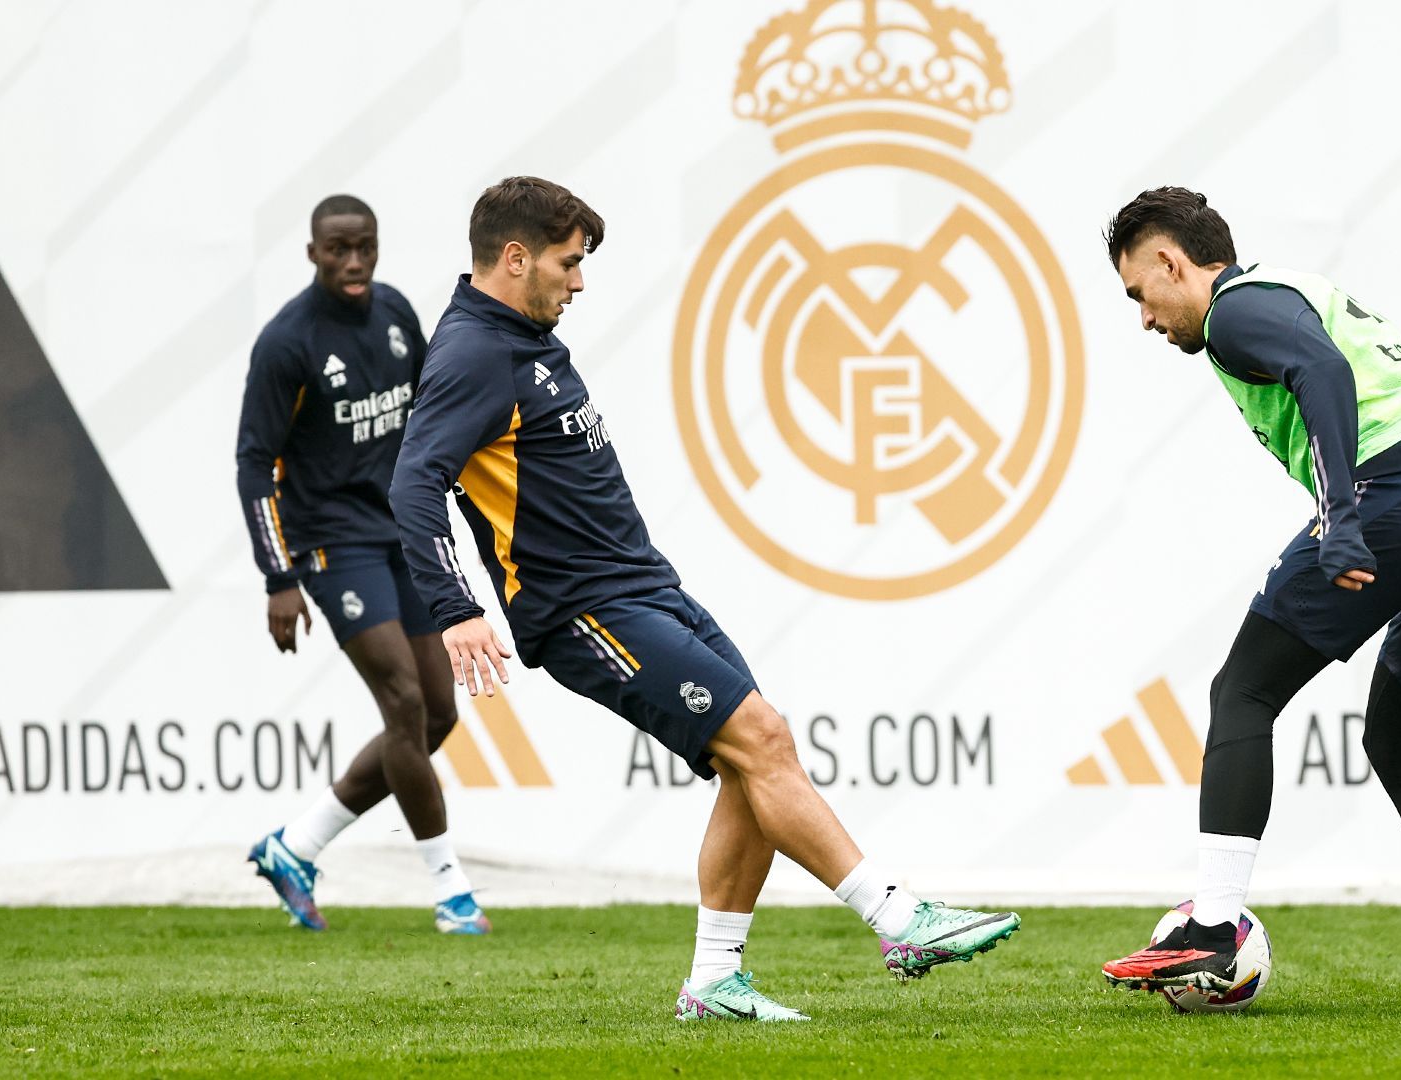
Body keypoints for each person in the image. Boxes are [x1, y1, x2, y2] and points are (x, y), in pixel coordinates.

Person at [388, 176, 1020, 1022]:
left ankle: (715, 980)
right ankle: (898, 917)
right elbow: (414, 484)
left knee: (755, 754)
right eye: (568, 264)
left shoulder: (521, 337)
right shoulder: (473, 351)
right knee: (759, 738)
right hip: (583, 609)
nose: (580, 282)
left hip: (644, 585)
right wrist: (456, 608)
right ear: (515, 258)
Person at [1096, 188, 1401, 1008]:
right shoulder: (1306, 292)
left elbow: (1322, 372)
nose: (1146, 320)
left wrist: (1340, 518)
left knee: (1243, 690)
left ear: (1169, 262)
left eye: (1138, 296)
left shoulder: (1232, 309)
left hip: (1393, 493)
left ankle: (1214, 927)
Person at [236, 195, 487, 934]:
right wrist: (279, 577)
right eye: (337, 249)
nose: (352, 263)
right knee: (404, 703)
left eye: (364, 248)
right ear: (312, 252)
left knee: (438, 712)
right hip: (329, 542)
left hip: (398, 533)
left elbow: (431, 417)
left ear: (377, 247)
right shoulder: (288, 342)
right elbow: (254, 463)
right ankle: (451, 890)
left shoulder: (397, 314)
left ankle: (296, 845)